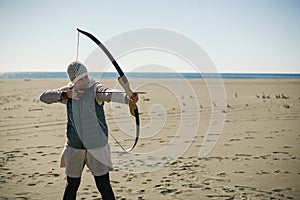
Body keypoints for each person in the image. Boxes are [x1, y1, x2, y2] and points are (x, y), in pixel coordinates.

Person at [39, 61, 138, 200]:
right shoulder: (68, 91)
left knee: (103, 185)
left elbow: (108, 93)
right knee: (72, 184)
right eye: (79, 79)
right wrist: (65, 95)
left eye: (85, 77)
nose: (84, 80)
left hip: (97, 148)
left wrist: (127, 98)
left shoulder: (96, 88)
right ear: (73, 81)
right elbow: (44, 97)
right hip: (75, 147)